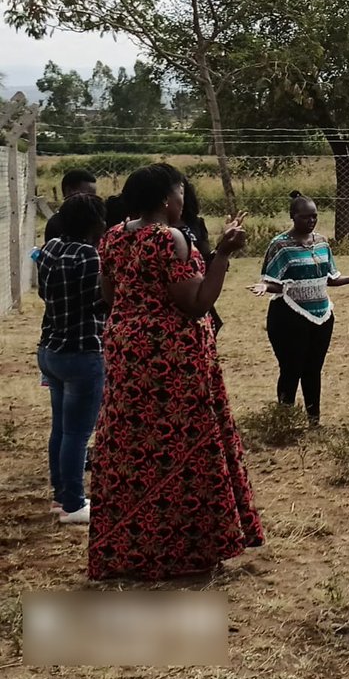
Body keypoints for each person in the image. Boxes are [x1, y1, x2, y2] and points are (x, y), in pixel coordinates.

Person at [90, 163, 262, 580]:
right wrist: (222, 254)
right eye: (180, 192)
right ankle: (185, 552)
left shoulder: (112, 237)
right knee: (182, 448)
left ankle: (126, 547)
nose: (183, 199)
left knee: (131, 447)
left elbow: (110, 294)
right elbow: (197, 302)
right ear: (167, 200)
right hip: (172, 361)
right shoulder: (171, 239)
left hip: (126, 352)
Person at [253, 191, 349, 426]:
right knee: (291, 369)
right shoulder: (280, 246)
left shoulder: (321, 242)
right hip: (289, 316)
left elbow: (330, 278)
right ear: (293, 217)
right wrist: (263, 287)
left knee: (313, 369)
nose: (311, 221)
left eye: (314, 217)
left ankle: (314, 420)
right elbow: (273, 281)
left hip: (322, 316)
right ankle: (284, 421)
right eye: (305, 217)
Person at [37, 193, 108, 525]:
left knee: (61, 428)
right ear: (94, 223)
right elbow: (99, 303)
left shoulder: (50, 248)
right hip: (82, 353)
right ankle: (73, 503)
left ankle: (60, 495)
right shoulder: (90, 256)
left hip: (50, 349)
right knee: (78, 434)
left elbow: (43, 292)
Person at [181, 179, 222, 335]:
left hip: (198, 285)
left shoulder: (195, 223)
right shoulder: (161, 231)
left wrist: (221, 249)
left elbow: (206, 258)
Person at [43, 168, 98, 243]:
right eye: (87, 195)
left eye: (94, 196)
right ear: (69, 191)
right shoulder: (56, 224)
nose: (92, 200)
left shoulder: (94, 219)